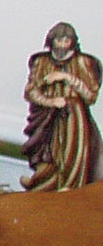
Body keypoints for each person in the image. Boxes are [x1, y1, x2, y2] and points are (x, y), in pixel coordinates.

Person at [23, 21, 99, 193]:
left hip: (74, 116)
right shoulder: (41, 61)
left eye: (67, 41)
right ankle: (40, 182)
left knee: (71, 153)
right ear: (51, 41)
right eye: (59, 40)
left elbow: (90, 95)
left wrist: (67, 77)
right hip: (47, 115)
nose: (63, 45)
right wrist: (49, 102)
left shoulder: (82, 62)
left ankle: (70, 186)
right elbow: (30, 91)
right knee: (47, 154)